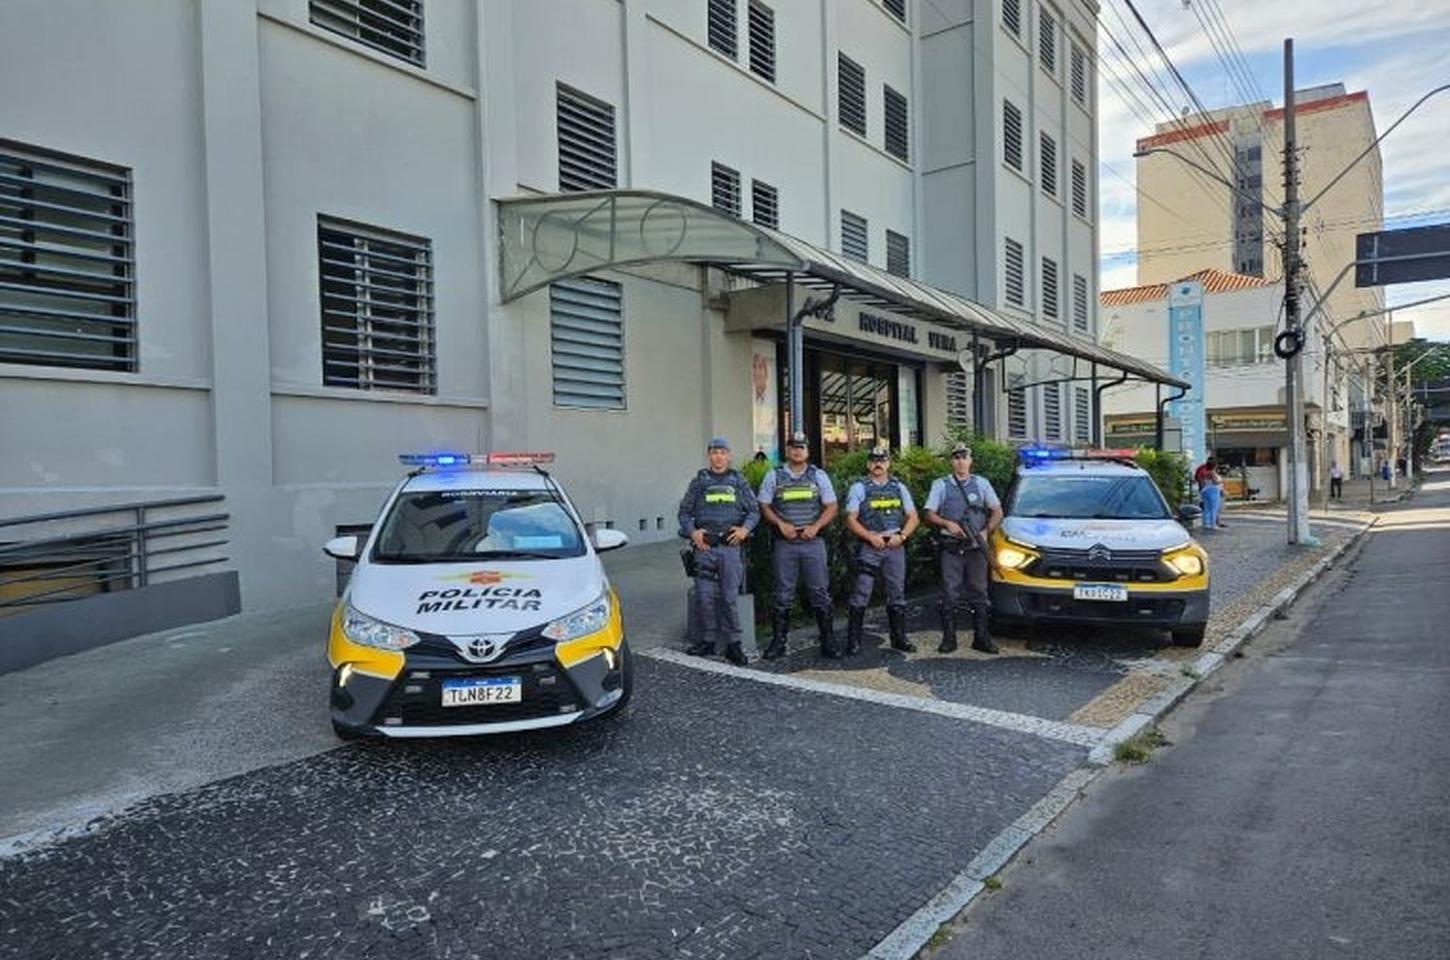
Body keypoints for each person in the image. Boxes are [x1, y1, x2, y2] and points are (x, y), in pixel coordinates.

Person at [676, 436, 759, 666]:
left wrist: (745, 530)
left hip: (730, 548)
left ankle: (734, 644)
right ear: (709, 455)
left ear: (728, 455)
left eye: (722, 452)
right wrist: (693, 533)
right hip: (704, 547)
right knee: (704, 597)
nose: (718, 456)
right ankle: (708, 640)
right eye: (714, 452)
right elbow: (683, 513)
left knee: (729, 597)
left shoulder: (738, 481)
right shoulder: (699, 481)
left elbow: (754, 511)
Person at [757, 432, 839, 660]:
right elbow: (764, 505)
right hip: (786, 543)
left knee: (820, 592)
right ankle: (778, 642)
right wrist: (780, 523)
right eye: (793, 447)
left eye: (801, 447)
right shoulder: (774, 475)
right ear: (788, 450)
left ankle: (828, 641)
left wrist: (816, 525)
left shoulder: (818, 475)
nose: (797, 451)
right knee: (783, 594)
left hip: (813, 541)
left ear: (807, 451)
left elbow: (831, 506)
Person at [924, 443, 1003, 655]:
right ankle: (949, 639)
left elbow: (997, 510)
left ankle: (982, 638)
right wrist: (946, 523)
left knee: (979, 592)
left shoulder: (982, 484)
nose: (960, 461)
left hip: (977, 547)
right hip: (952, 547)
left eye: (964, 457)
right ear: (952, 461)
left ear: (970, 460)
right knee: (950, 593)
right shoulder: (941, 485)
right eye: (956, 457)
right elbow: (929, 513)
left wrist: (987, 531)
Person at [843, 446, 920, 656]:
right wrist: (869, 537)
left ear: (888, 464)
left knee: (897, 592)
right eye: (874, 460)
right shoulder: (860, 487)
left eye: (882, 460)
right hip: (869, 545)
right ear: (868, 464)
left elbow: (913, 517)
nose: (878, 464)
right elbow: (850, 519)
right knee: (861, 593)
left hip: (894, 544)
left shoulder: (899, 487)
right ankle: (854, 641)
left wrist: (902, 536)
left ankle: (899, 638)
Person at [1198, 458, 1224, 530]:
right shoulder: (1212, 473)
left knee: (1206, 508)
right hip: (1213, 490)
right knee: (1214, 508)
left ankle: (1206, 523)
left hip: (1205, 490)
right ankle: (1213, 524)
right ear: (1214, 466)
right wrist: (1221, 481)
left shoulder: (1205, 473)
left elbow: (1202, 482)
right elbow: (1215, 482)